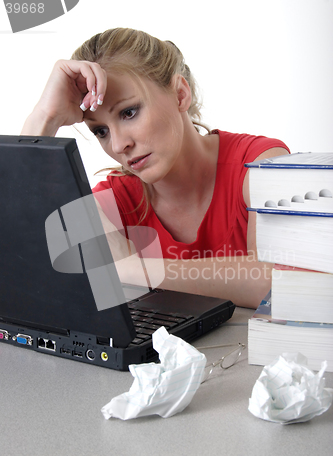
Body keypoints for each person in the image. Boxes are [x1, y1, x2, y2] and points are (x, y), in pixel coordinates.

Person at [22, 27, 290, 308]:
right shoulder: (115, 199)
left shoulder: (262, 164)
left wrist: (130, 270)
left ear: (180, 94)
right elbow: (23, 260)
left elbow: (277, 282)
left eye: (128, 112)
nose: (118, 145)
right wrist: (44, 118)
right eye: (101, 131)